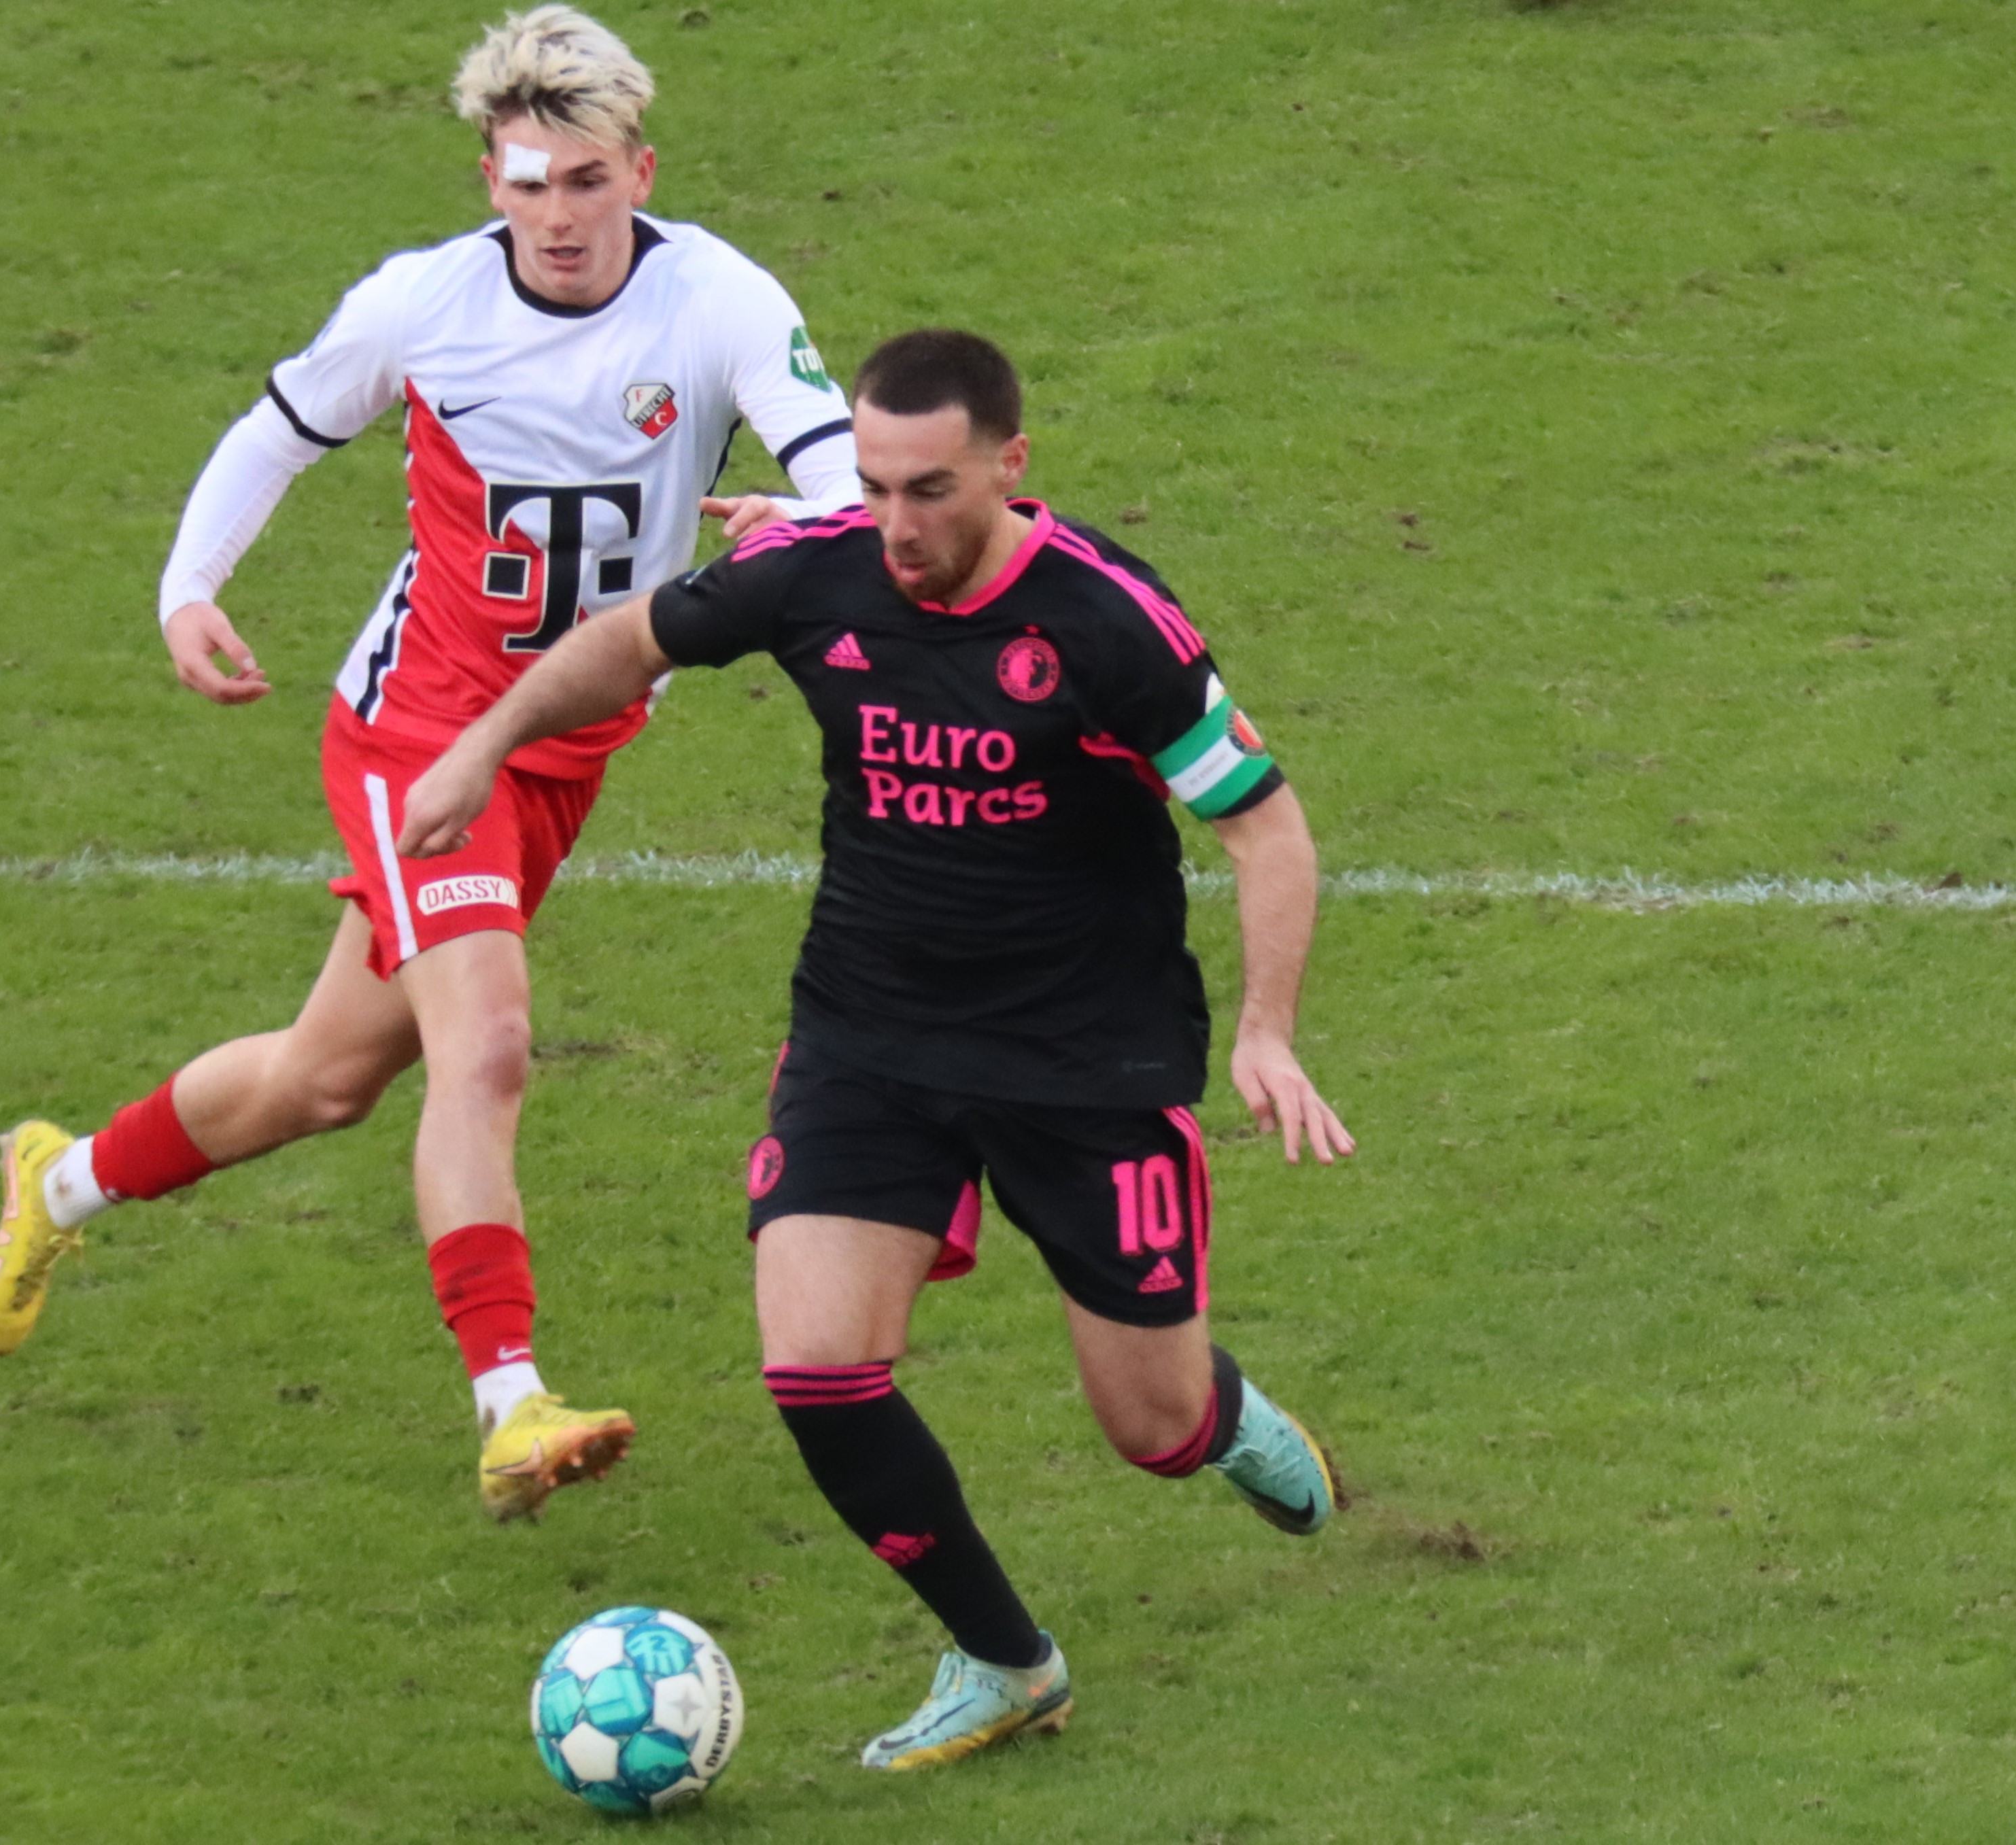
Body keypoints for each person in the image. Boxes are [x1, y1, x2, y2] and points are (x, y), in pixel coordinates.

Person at [396, 328, 1357, 1765]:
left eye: (930, 490)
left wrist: (1269, 1032)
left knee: (1144, 1426)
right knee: (816, 1367)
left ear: (1011, 467)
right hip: (871, 1035)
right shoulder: (821, 566)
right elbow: (633, 638)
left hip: (1083, 1063)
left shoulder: (1107, 625)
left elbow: (1262, 820)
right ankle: (1006, 1659)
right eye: (875, 484)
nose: (896, 525)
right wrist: (481, 744)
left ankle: (1215, 1418)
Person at [0, 6, 861, 1525]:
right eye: (530, 184)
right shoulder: (422, 306)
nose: (562, 217)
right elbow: (277, 430)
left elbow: (835, 466)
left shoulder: (717, 298)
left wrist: (805, 518)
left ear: (639, 170)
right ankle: (510, 1401)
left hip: (569, 744)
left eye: (588, 182)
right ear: (489, 181)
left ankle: (56, 1184)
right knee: (488, 1041)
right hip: (422, 735)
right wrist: (186, 590)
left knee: (327, 1077)